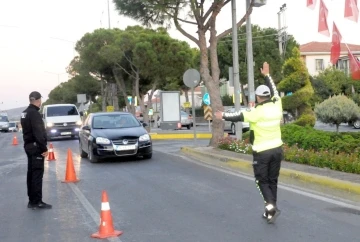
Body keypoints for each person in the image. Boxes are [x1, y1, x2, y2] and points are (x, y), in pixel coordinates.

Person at [215, 62, 283, 224]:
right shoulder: (277, 105)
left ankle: (270, 206)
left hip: (262, 152)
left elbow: (238, 115)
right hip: (277, 150)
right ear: (269, 96)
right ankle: (270, 211)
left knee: (261, 181)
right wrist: (267, 75)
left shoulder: (256, 112)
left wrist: (222, 115)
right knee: (272, 180)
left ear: (259, 97)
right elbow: (274, 89)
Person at [21, 91, 52, 209]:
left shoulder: (24, 113)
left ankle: (31, 200)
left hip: (28, 146)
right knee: (37, 175)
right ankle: (37, 201)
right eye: (40, 101)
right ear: (38, 100)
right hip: (36, 147)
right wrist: (44, 148)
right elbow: (38, 133)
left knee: (31, 174)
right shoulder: (34, 114)